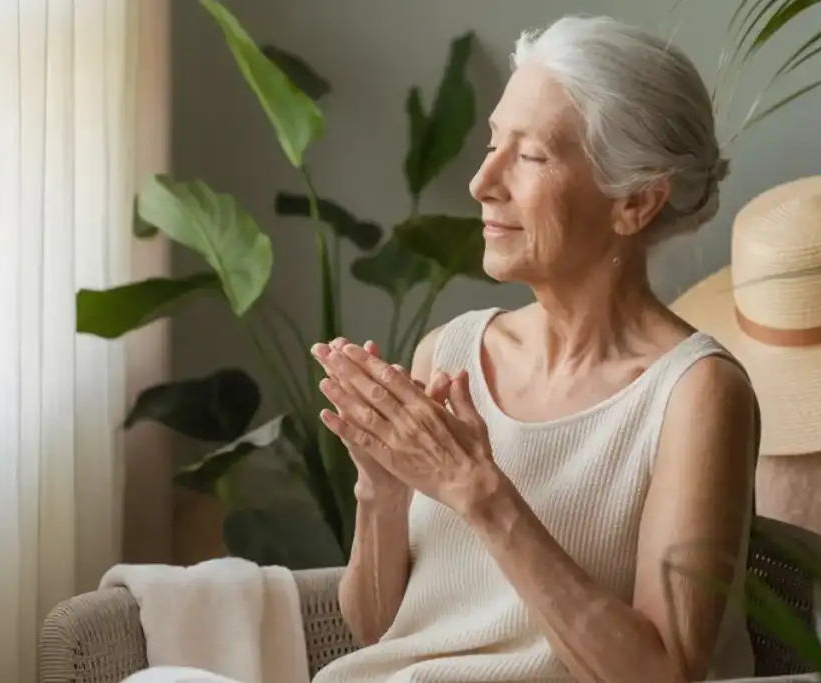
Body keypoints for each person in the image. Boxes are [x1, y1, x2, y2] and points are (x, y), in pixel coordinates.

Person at [307, 14, 759, 683]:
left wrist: (483, 495)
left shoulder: (696, 394)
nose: (481, 182)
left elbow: (663, 673)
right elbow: (378, 631)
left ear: (635, 202)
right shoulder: (449, 353)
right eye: (494, 143)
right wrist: (382, 489)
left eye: (532, 156)